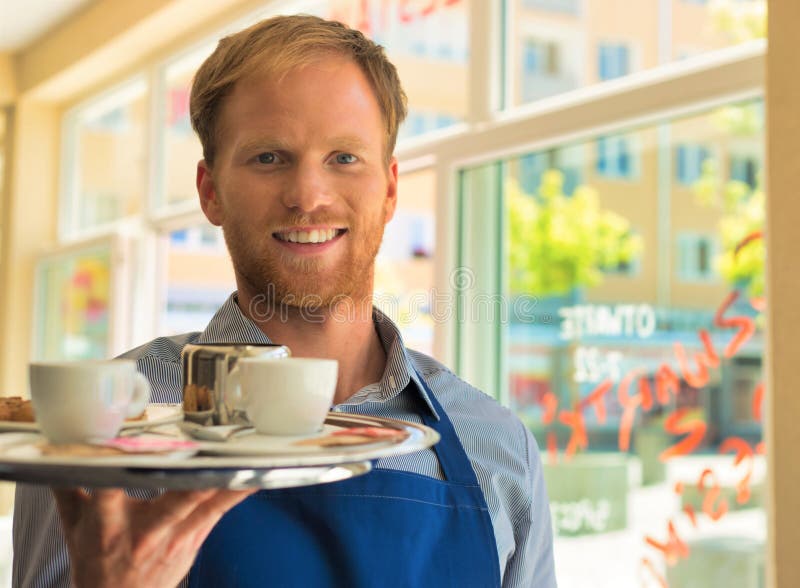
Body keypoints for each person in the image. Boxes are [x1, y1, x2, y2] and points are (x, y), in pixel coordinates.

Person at [13, 14, 556, 588]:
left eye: (344, 157)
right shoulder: (93, 429)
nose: (308, 197)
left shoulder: (496, 445)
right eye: (269, 157)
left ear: (391, 188)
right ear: (210, 191)